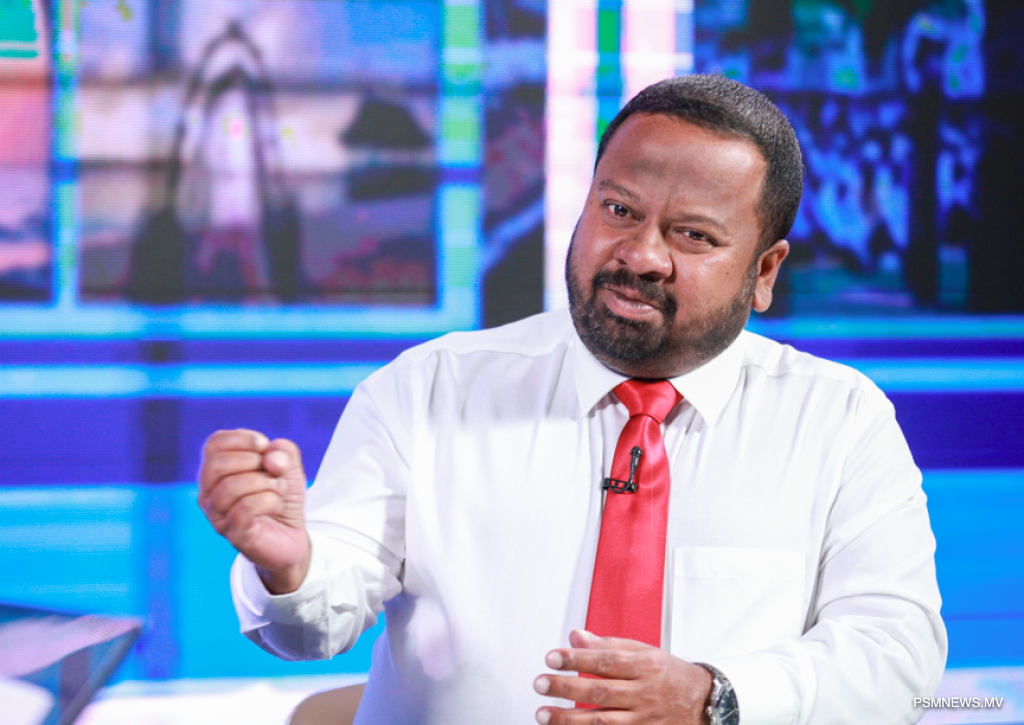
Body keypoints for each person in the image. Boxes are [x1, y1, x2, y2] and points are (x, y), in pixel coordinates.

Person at [199, 75, 946, 725]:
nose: (641, 256)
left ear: (765, 271)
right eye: (619, 210)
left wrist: (715, 698)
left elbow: (898, 659)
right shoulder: (429, 388)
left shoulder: (838, 421)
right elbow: (306, 630)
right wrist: (289, 569)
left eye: (692, 235)